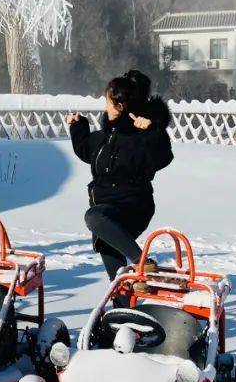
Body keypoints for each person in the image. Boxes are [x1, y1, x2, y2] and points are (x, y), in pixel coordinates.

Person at [66, 69, 174, 281]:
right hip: (107, 209)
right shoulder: (106, 137)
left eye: (107, 101)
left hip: (132, 208)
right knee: (108, 248)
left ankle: (142, 263)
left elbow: (163, 157)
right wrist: (78, 126)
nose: (104, 106)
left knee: (93, 217)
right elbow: (87, 152)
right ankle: (124, 309)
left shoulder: (139, 139)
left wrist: (152, 131)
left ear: (120, 106)